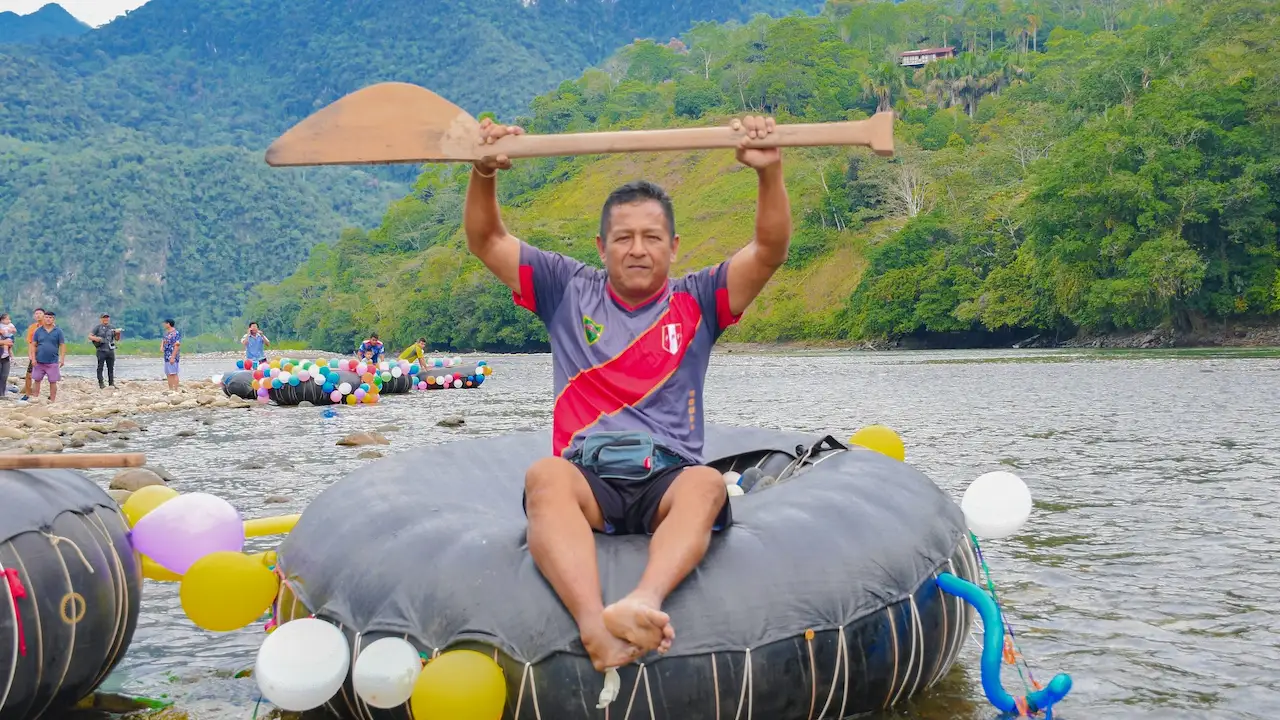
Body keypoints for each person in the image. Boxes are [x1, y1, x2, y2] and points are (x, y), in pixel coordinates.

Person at [463, 115, 791, 670]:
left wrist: (769, 172)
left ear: (673, 245)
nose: (637, 249)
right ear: (602, 244)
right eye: (623, 238)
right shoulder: (564, 287)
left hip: (667, 476)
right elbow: (486, 238)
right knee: (545, 477)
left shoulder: (700, 298)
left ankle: (644, 599)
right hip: (588, 475)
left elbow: (769, 249)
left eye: (651, 237)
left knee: (706, 483)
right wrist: (483, 174)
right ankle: (595, 624)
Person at [29, 310, 66, 403]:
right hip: (39, 361)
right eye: (46, 317)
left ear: (54, 319)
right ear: (43, 318)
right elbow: (33, 345)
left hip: (53, 361)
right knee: (37, 380)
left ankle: (52, 400)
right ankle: (35, 399)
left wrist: (62, 359)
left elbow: (62, 345)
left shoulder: (58, 331)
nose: (48, 319)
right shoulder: (38, 331)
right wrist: (33, 358)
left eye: (50, 318)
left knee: (53, 381)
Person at [89, 312, 122, 388]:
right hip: (101, 350)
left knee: (111, 368)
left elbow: (117, 339)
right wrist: (97, 338)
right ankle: (101, 383)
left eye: (107, 317)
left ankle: (111, 383)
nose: (106, 319)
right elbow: (90, 336)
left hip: (110, 350)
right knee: (100, 367)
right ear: (101, 319)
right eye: (104, 317)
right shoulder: (97, 327)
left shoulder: (112, 327)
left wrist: (118, 333)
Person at [19, 307, 44, 401]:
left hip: (46, 354)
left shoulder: (49, 326)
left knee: (49, 375)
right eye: (36, 314)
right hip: (35, 353)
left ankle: (50, 395)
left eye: (40, 313)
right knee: (29, 375)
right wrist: (30, 355)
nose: (38, 315)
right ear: (34, 316)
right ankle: (27, 394)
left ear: (44, 315)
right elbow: (30, 342)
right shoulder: (32, 327)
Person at [161, 319, 182, 390]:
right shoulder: (166, 333)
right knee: (168, 373)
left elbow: (177, 345)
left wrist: (173, 357)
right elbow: (163, 340)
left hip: (172, 355)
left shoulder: (175, 333)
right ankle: (170, 389)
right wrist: (162, 346)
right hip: (166, 355)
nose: (164, 325)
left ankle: (176, 389)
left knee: (173, 373)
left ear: (168, 324)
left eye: (165, 323)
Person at [0, 313, 15, 399]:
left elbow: (10, 343)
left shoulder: (6, 330)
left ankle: (2, 394)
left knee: (4, 376)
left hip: (5, 356)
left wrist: (12, 356)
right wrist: (4, 342)